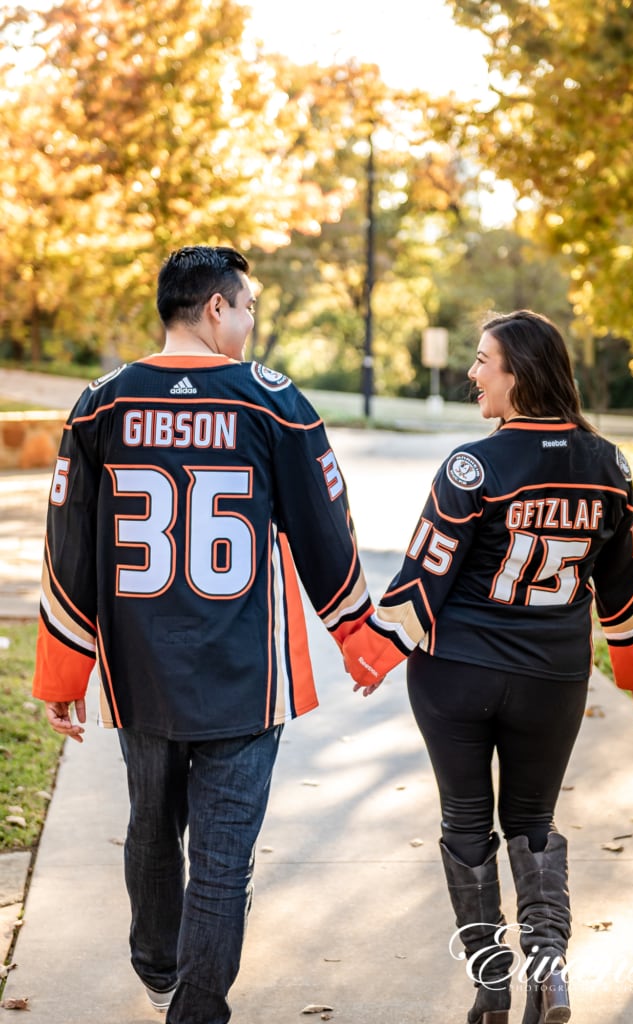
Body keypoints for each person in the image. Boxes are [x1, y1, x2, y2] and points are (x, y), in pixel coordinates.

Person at [33, 245, 373, 1024]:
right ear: (216, 308)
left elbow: (68, 548)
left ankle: (157, 966)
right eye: (247, 307)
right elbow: (329, 535)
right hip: (246, 675)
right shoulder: (274, 401)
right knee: (222, 864)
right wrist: (362, 638)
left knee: (151, 832)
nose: (251, 324)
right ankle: (196, 1009)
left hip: (139, 670)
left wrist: (61, 676)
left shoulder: (100, 403)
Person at [342, 310, 633, 1024]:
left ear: (518, 371)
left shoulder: (472, 465)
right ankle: (550, 979)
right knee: (533, 821)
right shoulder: (608, 465)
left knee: (465, 821)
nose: (473, 374)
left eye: (484, 360)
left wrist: (373, 654)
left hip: (456, 673)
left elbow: (423, 576)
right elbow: (626, 583)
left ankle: (490, 987)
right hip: (552, 678)